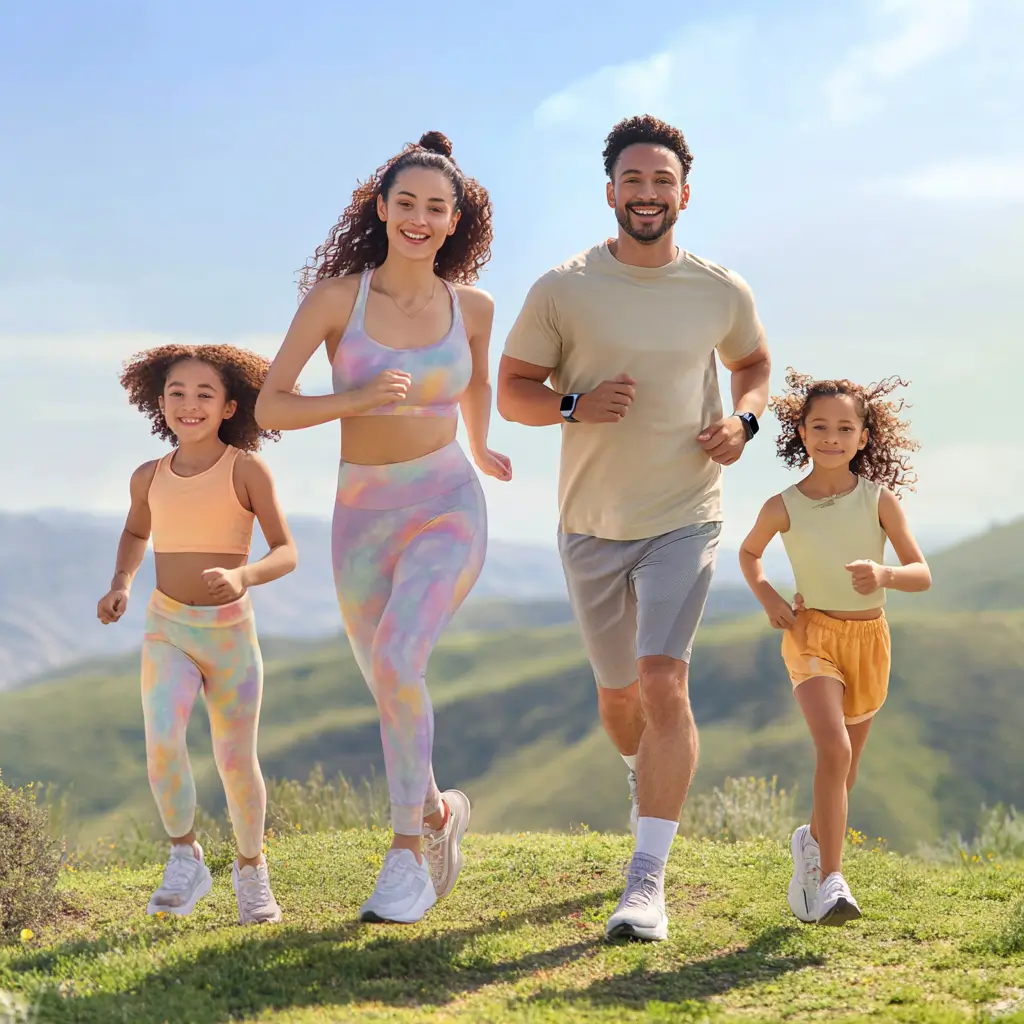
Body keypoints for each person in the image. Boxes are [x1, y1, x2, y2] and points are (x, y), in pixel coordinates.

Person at [497, 114, 771, 942]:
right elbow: (512, 391)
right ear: (610, 191)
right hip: (590, 524)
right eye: (633, 181)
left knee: (662, 683)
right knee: (621, 700)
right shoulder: (562, 287)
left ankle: (645, 881)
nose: (648, 195)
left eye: (662, 182)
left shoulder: (720, 289)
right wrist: (575, 403)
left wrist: (747, 424)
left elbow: (752, 366)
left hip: (686, 514)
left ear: (684, 194)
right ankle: (638, 773)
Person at [255, 130, 511, 925]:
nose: (421, 219)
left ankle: (404, 856)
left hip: (447, 504)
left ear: (455, 219)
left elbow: (476, 381)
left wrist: (480, 441)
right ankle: (438, 816)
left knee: (401, 658)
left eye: (438, 208)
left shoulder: (472, 304)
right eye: (407, 203)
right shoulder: (339, 298)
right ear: (381, 206)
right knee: (388, 685)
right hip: (360, 516)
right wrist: (352, 403)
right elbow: (271, 406)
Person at [96, 343, 298, 925]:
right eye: (177, 394)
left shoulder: (247, 470)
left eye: (204, 394)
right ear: (159, 403)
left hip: (230, 634)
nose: (190, 404)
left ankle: (252, 869)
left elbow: (285, 551)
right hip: (167, 628)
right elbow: (136, 533)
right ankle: (185, 857)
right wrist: (121, 583)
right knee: (162, 743)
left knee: (235, 759)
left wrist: (244, 575)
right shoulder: (148, 476)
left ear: (231, 405)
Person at [738, 369, 931, 925]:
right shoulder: (783, 504)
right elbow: (749, 555)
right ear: (800, 430)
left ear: (863, 437)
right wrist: (768, 596)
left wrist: (884, 574)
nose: (831, 437)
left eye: (844, 428)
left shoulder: (878, 500)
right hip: (811, 635)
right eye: (819, 425)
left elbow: (921, 572)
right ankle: (831, 883)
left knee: (846, 770)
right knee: (835, 752)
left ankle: (812, 844)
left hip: (870, 641)